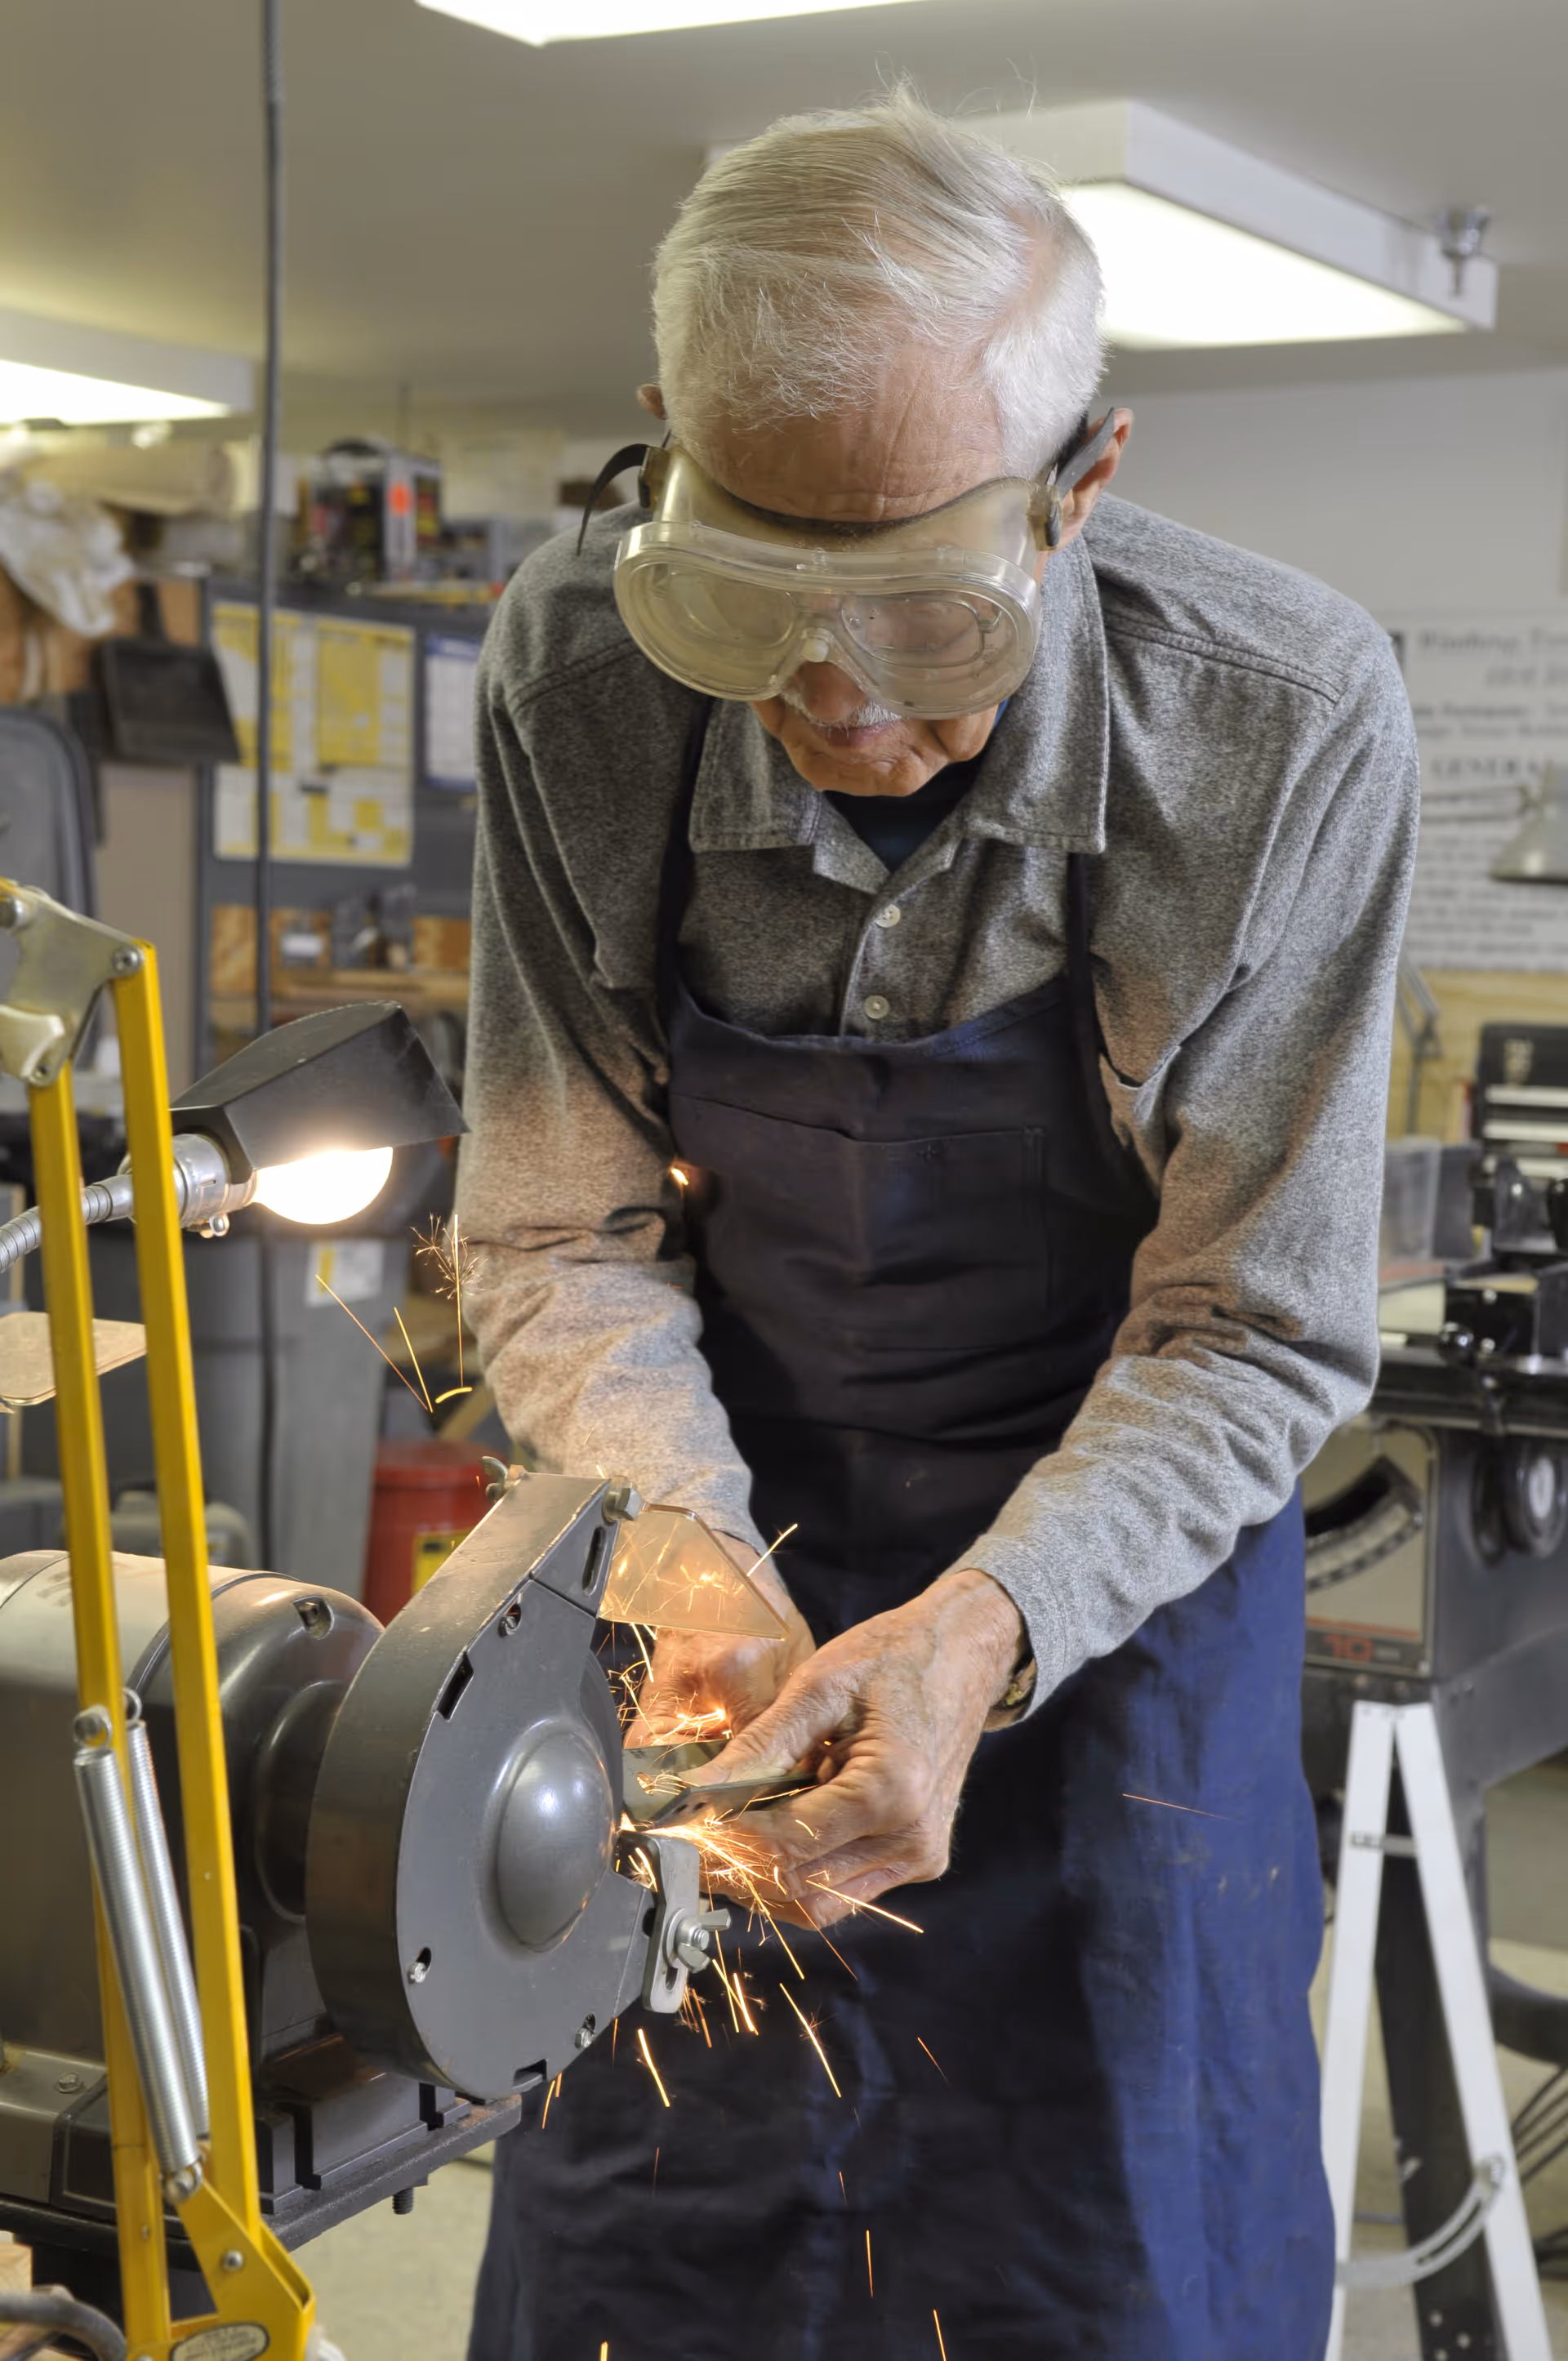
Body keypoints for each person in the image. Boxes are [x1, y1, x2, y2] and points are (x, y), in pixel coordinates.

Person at [459, 90, 1418, 2361]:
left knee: (1112, 2255)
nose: (831, 698)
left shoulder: (1278, 726)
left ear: (1080, 487)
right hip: (708, 1550)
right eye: (748, 599)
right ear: (663, 454)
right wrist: (684, 1545)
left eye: (913, 607)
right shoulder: (573, 675)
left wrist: (989, 1627)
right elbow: (558, 1226)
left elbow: (1256, 1324)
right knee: (652, 2233)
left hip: (1111, 1610)